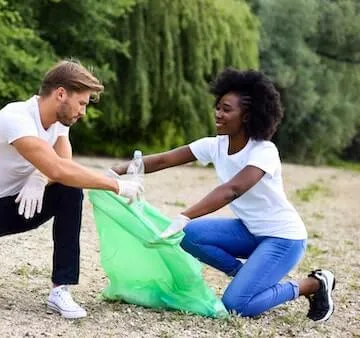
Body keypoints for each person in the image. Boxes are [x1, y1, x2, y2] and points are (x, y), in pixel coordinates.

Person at [110, 68, 335, 322]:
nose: (218, 114)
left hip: (284, 239)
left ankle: (312, 285)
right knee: (189, 235)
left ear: (247, 116)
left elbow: (233, 189)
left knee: (236, 305)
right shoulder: (215, 145)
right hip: (250, 231)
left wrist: (185, 214)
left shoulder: (263, 151)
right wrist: (114, 172)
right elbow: (164, 159)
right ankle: (245, 276)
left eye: (226, 109)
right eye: (217, 107)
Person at [0, 60, 143, 319]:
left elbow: (64, 163)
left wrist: (39, 178)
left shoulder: (60, 122)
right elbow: (57, 167)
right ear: (61, 94)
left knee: (70, 190)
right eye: (82, 103)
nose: (83, 112)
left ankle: (60, 289)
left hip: (22, 203)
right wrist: (117, 185)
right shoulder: (15, 117)